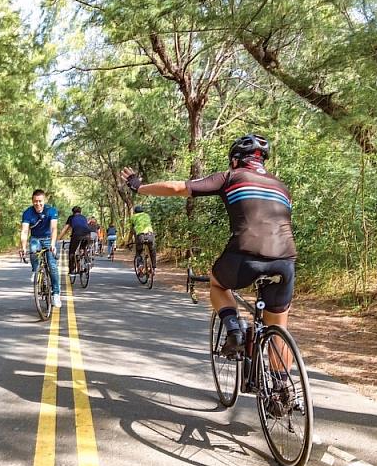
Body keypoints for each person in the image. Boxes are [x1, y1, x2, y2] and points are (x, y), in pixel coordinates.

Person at [121, 134, 295, 360]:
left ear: (235, 160)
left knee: (218, 284)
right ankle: (283, 390)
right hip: (285, 260)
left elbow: (176, 188)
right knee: (279, 330)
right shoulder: (282, 187)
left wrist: (138, 186)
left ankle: (234, 330)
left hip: (245, 253)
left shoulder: (231, 176)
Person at [20, 189, 61, 308]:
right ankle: (35, 270)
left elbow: (54, 228)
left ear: (44, 200)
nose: (37, 204)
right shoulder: (28, 212)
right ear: (32, 201)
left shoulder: (51, 211)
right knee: (33, 250)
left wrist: (53, 244)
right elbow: (24, 230)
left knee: (52, 266)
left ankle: (56, 294)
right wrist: (23, 247)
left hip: (48, 238)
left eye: (40, 201)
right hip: (35, 238)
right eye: (35, 201)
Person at [58, 206, 91, 274]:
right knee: (83, 248)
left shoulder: (71, 217)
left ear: (73, 212)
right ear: (80, 212)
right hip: (88, 235)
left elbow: (65, 229)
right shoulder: (83, 217)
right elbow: (84, 226)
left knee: (72, 252)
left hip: (77, 235)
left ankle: (71, 270)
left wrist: (58, 238)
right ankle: (86, 259)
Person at [126, 205, 156, 272]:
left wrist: (129, 240)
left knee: (139, 252)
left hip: (140, 236)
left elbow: (132, 230)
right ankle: (153, 267)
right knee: (152, 251)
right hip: (150, 235)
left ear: (135, 211)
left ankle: (140, 265)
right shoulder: (147, 215)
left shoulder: (133, 217)